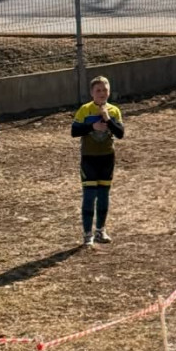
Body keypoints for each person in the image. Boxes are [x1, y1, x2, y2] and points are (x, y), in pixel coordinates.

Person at [71, 76, 125, 246]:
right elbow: (74, 131)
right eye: (98, 90)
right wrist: (92, 127)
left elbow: (120, 133)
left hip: (107, 158)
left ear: (109, 91)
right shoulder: (85, 110)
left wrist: (108, 119)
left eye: (105, 90)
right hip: (89, 159)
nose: (102, 93)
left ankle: (100, 230)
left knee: (103, 195)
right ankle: (87, 233)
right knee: (89, 196)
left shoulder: (114, 111)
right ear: (92, 93)